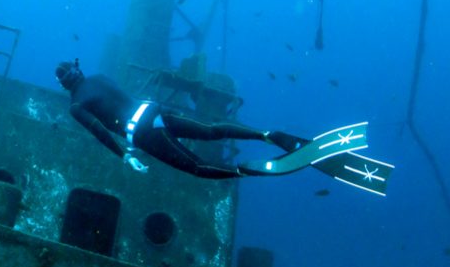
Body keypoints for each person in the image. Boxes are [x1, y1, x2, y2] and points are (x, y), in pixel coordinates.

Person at [55, 59, 391, 191]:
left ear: (65, 84)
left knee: (199, 167)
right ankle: (267, 134)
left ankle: (244, 172)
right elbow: (118, 95)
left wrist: (124, 155)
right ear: (78, 70)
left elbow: (100, 131)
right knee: (213, 129)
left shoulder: (76, 105)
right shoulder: (98, 76)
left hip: (139, 132)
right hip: (151, 109)